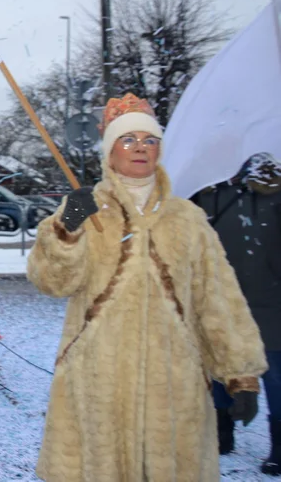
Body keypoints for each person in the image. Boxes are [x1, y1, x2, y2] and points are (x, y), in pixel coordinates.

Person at [27, 93, 267, 481]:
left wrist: (241, 375)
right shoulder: (84, 207)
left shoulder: (187, 218)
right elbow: (52, 281)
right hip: (97, 377)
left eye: (149, 140)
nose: (140, 148)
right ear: (110, 152)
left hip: (173, 383)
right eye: (128, 140)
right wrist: (66, 231)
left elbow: (218, 298)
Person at [193, 152, 281, 474]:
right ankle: (222, 432)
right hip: (221, 298)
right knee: (217, 366)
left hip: (270, 301)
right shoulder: (208, 192)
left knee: (274, 373)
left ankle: (279, 446)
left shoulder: (273, 190)